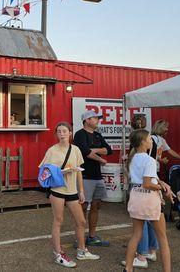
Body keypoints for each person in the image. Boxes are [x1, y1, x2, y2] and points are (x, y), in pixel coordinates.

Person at [39, 122, 99, 268]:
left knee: (81, 221)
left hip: (72, 191)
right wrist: (62, 171)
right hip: (57, 190)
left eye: (64, 131)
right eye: (59, 131)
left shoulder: (76, 150)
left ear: (70, 133)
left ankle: (82, 250)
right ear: (56, 134)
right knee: (58, 221)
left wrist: (82, 190)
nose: (62, 134)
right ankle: (58, 254)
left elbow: (78, 171)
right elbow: (43, 170)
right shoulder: (52, 151)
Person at [123, 129, 173, 272]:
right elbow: (147, 183)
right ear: (143, 142)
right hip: (149, 200)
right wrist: (161, 188)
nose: (152, 141)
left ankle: (128, 268)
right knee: (163, 239)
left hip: (136, 197)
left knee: (136, 235)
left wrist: (160, 182)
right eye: (150, 139)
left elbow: (144, 179)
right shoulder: (150, 160)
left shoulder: (132, 159)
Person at [73, 110, 112, 247]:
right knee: (83, 206)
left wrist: (94, 150)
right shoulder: (79, 134)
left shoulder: (97, 135)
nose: (98, 120)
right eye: (95, 118)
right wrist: (100, 158)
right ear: (87, 120)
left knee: (96, 205)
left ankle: (92, 236)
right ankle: (79, 238)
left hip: (97, 176)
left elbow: (109, 149)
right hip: (84, 176)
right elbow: (84, 152)